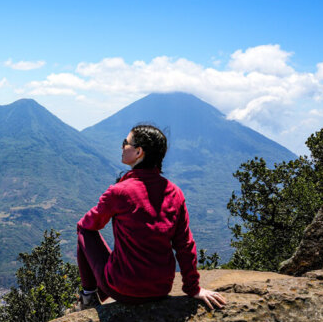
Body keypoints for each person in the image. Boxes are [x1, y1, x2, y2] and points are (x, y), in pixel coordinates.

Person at [76, 124, 226, 310]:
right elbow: (185, 244)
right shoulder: (174, 192)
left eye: (126, 143)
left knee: (83, 229)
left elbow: (89, 223)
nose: (122, 147)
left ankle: (89, 297)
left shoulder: (120, 192)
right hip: (161, 289)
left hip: (123, 289)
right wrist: (193, 288)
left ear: (139, 152)